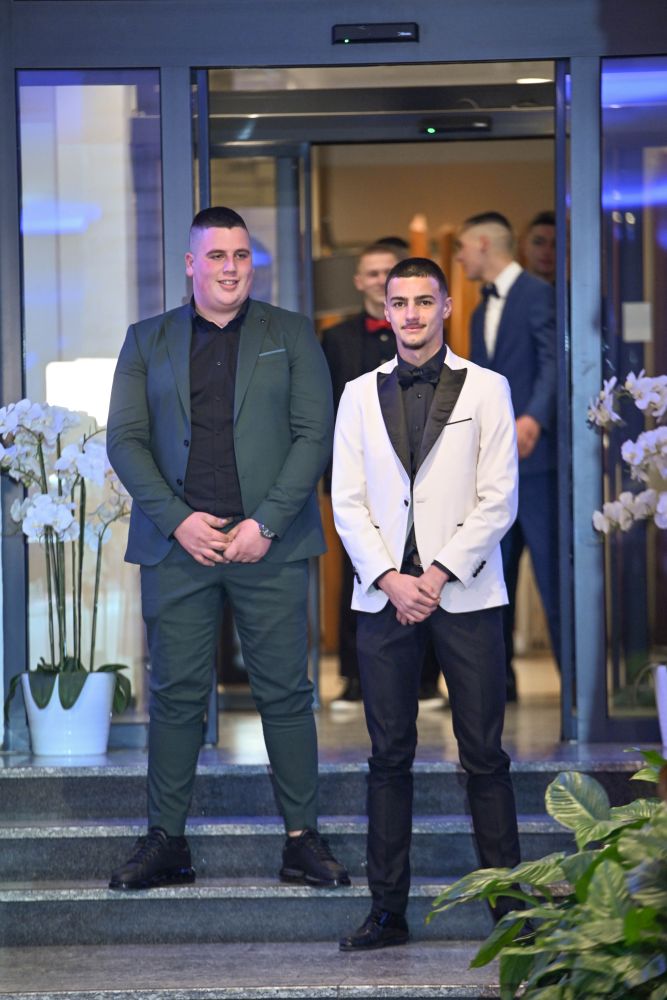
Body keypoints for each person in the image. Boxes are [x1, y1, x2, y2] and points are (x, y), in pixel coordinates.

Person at [106, 206, 349, 892]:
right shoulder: (146, 339)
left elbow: (314, 435)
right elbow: (125, 439)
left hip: (267, 545)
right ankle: (166, 842)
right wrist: (178, 521)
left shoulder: (291, 334)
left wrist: (264, 524)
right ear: (191, 264)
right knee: (175, 694)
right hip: (176, 548)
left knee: (286, 692)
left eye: (241, 255)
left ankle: (301, 841)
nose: (231, 268)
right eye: (217, 256)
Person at [332, 256, 521, 951]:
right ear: (385, 310)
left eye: (422, 301)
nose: (410, 314)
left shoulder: (489, 388)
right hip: (384, 599)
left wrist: (436, 575)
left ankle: (510, 910)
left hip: (466, 594)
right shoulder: (357, 394)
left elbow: (498, 497)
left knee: (485, 756)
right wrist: (390, 578)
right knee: (388, 757)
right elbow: (346, 500)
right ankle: (387, 912)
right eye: (399, 302)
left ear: (445, 306)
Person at [322, 243, 443, 707]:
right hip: (358, 477)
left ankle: (426, 679)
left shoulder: (425, 334)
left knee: (424, 564)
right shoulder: (335, 338)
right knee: (360, 572)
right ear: (359, 282)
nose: (377, 280)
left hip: (420, 474)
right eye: (370, 274)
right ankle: (354, 676)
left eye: (384, 273)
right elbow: (327, 407)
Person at [455, 211, 558, 702]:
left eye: (462, 247)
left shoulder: (539, 293)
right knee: (494, 580)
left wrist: (534, 417)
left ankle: (575, 695)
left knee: (554, 577)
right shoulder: (479, 311)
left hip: (539, 466)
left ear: (482, 243)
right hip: (495, 471)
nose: (459, 258)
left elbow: (554, 361)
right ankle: (497, 688)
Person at [522, 210, 556, 285]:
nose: (547, 251)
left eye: (555, 245)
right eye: (538, 242)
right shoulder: (506, 289)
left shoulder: (575, 290)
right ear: (524, 245)